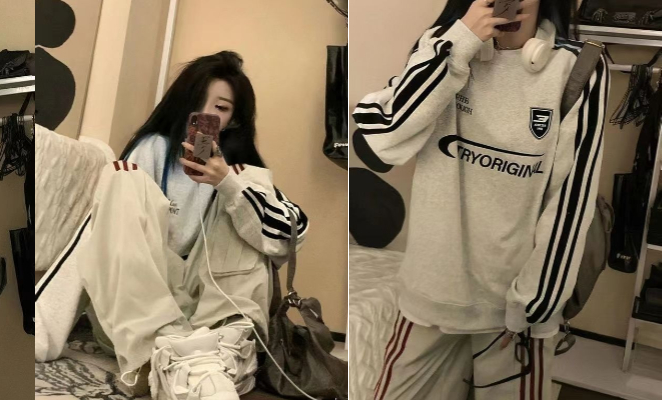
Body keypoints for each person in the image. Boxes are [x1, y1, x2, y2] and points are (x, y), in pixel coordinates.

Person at [352, 0, 608, 399]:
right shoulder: (441, 48)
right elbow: (378, 142)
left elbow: (571, 200)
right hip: (430, 291)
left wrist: (534, 305)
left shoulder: (579, 68)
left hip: (513, 306)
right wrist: (459, 43)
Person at [91, 51, 309, 399]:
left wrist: (229, 185)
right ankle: (156, 354)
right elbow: (101, 239)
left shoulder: (241, 170)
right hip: (142, 310)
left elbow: (291, 238)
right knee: (120, 178)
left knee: (249, 189)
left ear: (234, 120)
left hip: (213, 314)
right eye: (197, 102)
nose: (206, 115)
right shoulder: (151, 150)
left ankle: (213, 354)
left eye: (220, 108)